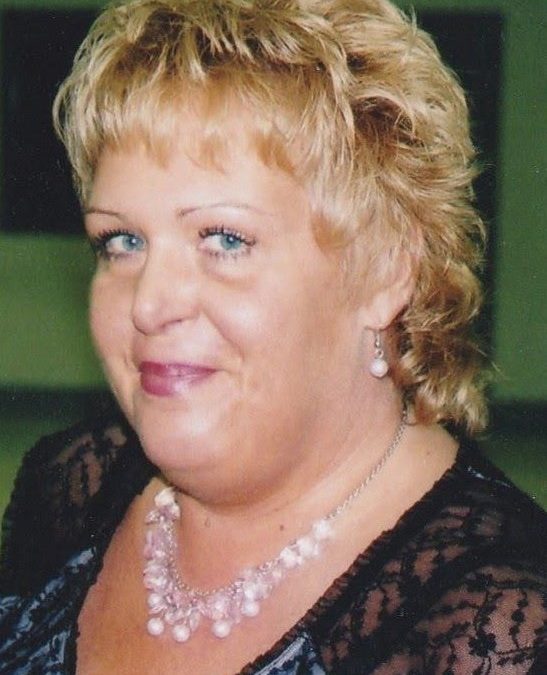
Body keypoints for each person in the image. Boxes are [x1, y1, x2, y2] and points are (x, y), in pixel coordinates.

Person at [1, 0, 545, 672]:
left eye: (224, 239)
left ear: (385, 269)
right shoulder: (73, 487)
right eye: (122, 241)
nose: (150, 303)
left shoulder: (497, 627)